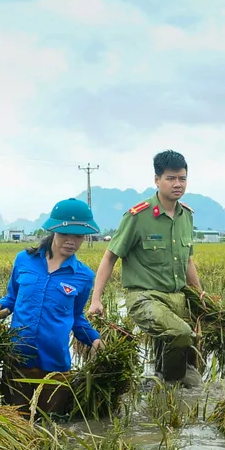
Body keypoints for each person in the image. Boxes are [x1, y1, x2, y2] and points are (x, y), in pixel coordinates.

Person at [88, 150, 204, 387]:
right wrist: (96, 299)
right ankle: (170, 383)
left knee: (188, 343)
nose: (177, 184)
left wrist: (202, 297)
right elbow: (110, 257)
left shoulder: (186, 216)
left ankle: (163, 381)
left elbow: (188, 261)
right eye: (171, 178)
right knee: (180, 333)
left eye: (182, 178)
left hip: (176, 298)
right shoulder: (138, 216)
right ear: (157, 180)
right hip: (144, 298)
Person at [0, 198, 102, 413]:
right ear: (54, 230)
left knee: (52, 428)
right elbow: (11, 300)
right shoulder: (24, 260)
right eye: (65, 234)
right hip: (18, 361)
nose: (71, 241)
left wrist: (95, 339)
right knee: (16, 424)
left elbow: (76, 317)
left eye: (78, 236)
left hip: (56, 369)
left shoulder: (83, 276)